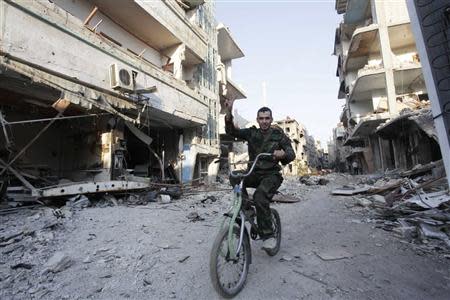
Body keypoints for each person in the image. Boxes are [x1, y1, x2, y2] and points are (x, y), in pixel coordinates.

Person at [224, 99, 295, 251]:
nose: (264, 121)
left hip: (271, 175)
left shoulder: (278, 135)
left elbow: (291, 153)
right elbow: (232, 132)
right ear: (257, 119)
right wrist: (229, 112)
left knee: (260, 197)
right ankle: (246, 208)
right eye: (261, 118)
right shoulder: (251, 132)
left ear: (271, 119)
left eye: (267, 118)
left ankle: (268, 236)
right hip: (254, 172)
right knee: (235, 176)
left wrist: (282, 154)